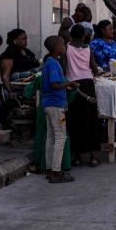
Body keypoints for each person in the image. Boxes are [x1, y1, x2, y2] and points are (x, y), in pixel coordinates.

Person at [42, 35, 78, 184]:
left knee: (51, 137)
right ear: (56, 47)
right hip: (55, 105)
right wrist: (69, 84)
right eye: (63, 44)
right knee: (60, 136)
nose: (65, 47)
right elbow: (55, 84)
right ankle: (56, 172)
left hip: (49, 105)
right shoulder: (52, 64)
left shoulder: (52, 62)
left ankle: (50, 169)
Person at [64, 24, 101, 166]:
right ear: (84, 36)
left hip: (73, 85)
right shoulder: (88, 48)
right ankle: (93, 157)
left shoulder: (67, 48)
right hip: (88, 84)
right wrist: (97, 73)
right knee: (91, 120)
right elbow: (94, 68)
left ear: (71, 35)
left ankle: (77, 157)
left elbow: (64, 68)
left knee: (75, 120)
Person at [0, 28, 41, 95]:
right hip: (20, 78)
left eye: (26, 38)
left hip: (31, 76)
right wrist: (10, 92)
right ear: (15, 40)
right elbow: (5, 76)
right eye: (23, 39)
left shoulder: (25, 51)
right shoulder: (9, 54)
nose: (26, 41)